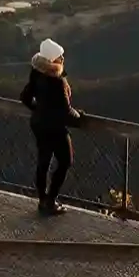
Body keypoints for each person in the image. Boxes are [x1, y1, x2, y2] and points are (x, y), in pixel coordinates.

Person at [20, 38, 84, 214]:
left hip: (39, 124)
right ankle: (50, 200)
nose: (62, 58)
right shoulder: (58, 81)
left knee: (43, 162)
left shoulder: (36, 73)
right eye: (60, 56)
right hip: (54, 128)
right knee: (65, 161)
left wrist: (39, 110)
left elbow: (25, 97)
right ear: (53, 60)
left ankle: (43, 201)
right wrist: (80, 118)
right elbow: (66, 111)